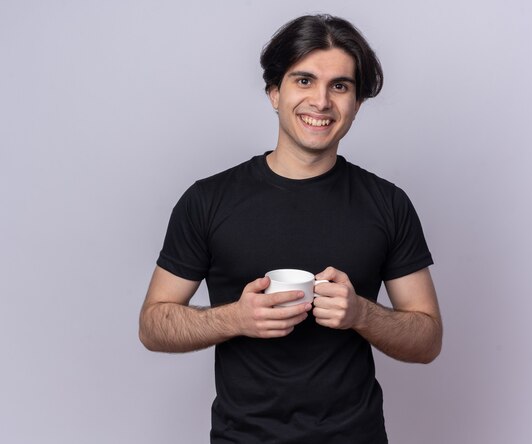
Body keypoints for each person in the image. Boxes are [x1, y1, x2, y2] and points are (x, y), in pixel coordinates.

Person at [139, 14, 442, 443]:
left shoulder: (388, 204)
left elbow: (427, 339)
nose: (321, 101)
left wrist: (361, 313)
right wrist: (235, 318)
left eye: (340, 86)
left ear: (356, 103)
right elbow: (153, 325)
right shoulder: (208, 200)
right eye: (303, 81)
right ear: (274, 93)